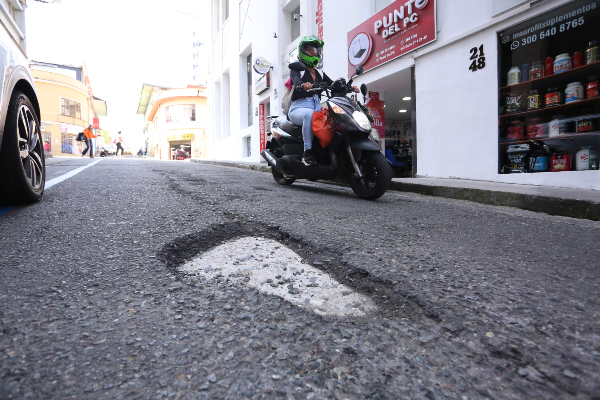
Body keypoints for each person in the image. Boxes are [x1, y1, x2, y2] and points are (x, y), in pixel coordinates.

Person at [288, 35, 359, 166]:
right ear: (303, 51)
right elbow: (295, 79)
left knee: (335, 119)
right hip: (298, 108)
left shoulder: (320, 73)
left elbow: (333, 85)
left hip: (317, 107)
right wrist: (302, 84)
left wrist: (349, 88)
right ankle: (307, 153)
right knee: (309, 115)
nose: (314, 52)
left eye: (316, 50)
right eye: (310, 50)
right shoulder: (297, 68)